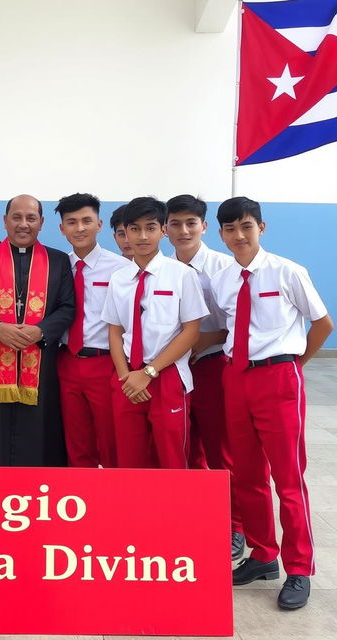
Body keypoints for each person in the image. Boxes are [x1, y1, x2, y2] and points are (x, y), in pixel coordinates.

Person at [210, 196, 333, 610]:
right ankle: (264, 555)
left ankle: (299, 567)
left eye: (246, 226)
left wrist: (293, 364)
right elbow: (223, 328)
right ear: (221, 233)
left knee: (288, 477)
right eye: (229, 229)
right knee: (246, 474)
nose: (238, 235)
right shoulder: (224, 278)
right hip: (236, 377)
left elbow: (322, 323)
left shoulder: (287, 271)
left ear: (261, 227)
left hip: (279, 377)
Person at [0, 194, 75, 466]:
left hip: (40, 363)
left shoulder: (58, 261)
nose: (23, 224)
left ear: (41, 222)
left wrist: (41, 330)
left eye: (31, 218)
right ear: (4, 221)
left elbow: (67, 307)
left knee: (39, 433)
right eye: (16, 217)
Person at [164, 194, 244, 561]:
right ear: (165, 228)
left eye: (190, 223)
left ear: (204, 226)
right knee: (187, 449)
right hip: (174, 369)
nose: (183, 231)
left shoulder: (225, 268)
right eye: (175, 224)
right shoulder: (163, 268)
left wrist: (200, 341)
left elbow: (238, 323)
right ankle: (198, 518)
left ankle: (235, 527)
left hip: (211, 366)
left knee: (220, 450)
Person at [101, 196, 208, 469]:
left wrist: (149, 373)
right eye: (134, 229)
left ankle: (175, 512)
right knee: (130, 460)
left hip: (166, 377)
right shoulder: (119, 278)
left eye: (150, 227)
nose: (142, 235)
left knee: (172, 458)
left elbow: (191, 331)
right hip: (127, 377)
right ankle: (134, 512)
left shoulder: (182, 275)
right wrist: (125, 375)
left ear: (163, 230)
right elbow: (115, 330)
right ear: (125, 232)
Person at [56, 193, 128, 467]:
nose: (80, 228)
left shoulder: (121, 269)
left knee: (111, 441)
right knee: (77, 443)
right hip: (66, 363)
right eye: (71, 222)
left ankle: (113, 502)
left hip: (105, 363)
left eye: (87, 221)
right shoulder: (56, 266)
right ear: (62, 228)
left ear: (99, 224)